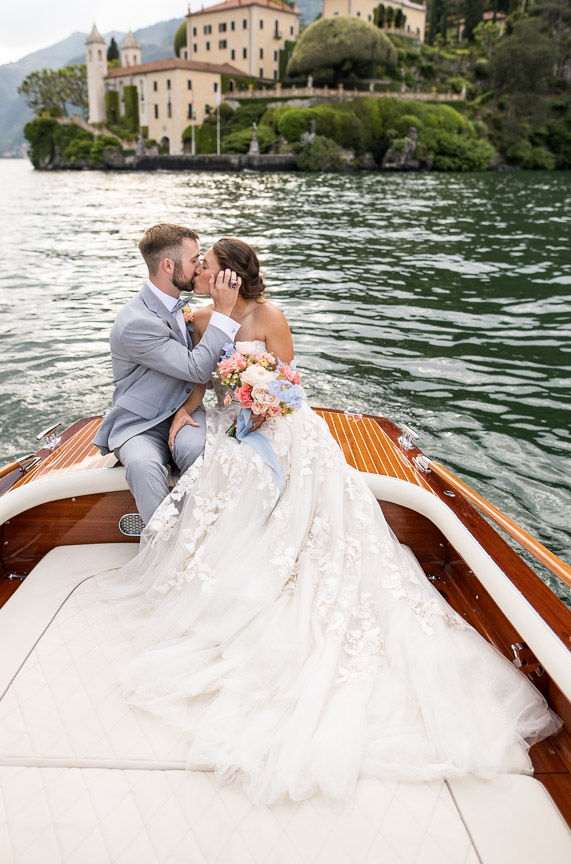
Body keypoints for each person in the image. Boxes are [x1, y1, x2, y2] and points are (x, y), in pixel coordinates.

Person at [99, 237, 560, 806]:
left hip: (276, 419)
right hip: (229, 417)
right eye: (200, 266)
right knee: (223, 466)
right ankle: (222, 548)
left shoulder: (269, 316)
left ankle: (278, 546)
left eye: (210, 267)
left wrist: (259, 406)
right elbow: (204, 372)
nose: (203, 274)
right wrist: (192, 412)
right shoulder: (199, 315)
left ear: (232, 278)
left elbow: (288, 384)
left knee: (260, 470)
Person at [93, 224, 242, 528]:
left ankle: (206, 534)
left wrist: (188, 408)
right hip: (140, 425)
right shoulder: (136, 322)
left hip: (185, 410)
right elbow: (196, 369)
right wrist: (223, 312)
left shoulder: (178, 304)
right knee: (143, 465)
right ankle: (167, 552)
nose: (200, 266)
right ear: (168, 265)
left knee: (199, 451)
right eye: (194, 260)